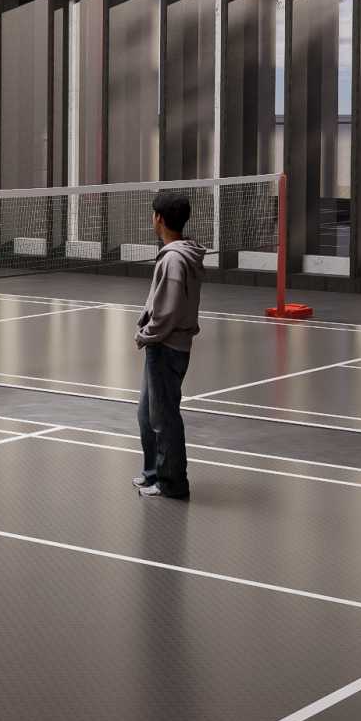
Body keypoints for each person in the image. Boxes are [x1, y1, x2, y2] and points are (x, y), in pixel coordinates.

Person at [134, 190, 205, 501]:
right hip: (163, 344)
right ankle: (154, 472)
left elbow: (168, 310)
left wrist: (146, 334)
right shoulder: (176, 254)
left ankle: (173, 483)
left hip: (166, 347)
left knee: (164, 419)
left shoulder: (174, 259)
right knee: (147, 414)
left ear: (159, 219)